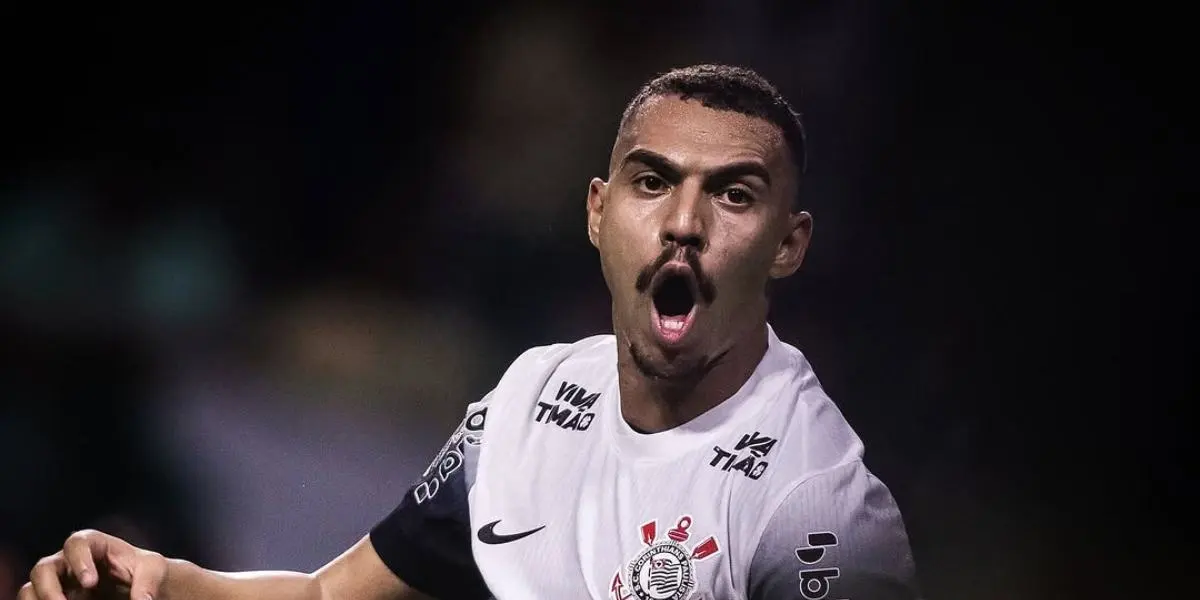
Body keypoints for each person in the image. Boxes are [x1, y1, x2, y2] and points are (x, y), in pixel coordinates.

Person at [18, 64, 919, 600]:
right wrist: (160, 582)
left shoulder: (816, 511)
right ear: (599, 215)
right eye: (652, 183)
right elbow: (333, 595)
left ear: (789, 245)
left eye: (732, 194)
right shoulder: (534, 400)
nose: (684, 222)